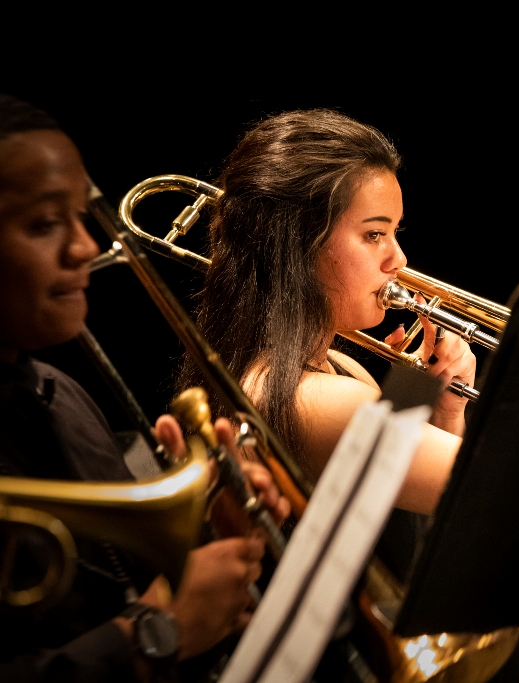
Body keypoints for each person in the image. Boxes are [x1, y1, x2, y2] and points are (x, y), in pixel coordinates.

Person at [0, 95, 289, 682]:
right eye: (44, 223)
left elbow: (124, 588)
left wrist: (205, 535)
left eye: (80, 215)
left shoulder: (60, 395)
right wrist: (154, 638)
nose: (85, 246)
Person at [179, 109, 476, 515]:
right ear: (298, 246)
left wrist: (446, 412)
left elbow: (430, 529)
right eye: (374, 234)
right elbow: (490, 494)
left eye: (394, 232)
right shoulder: (322, 403)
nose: (399, 259)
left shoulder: (338, 368)